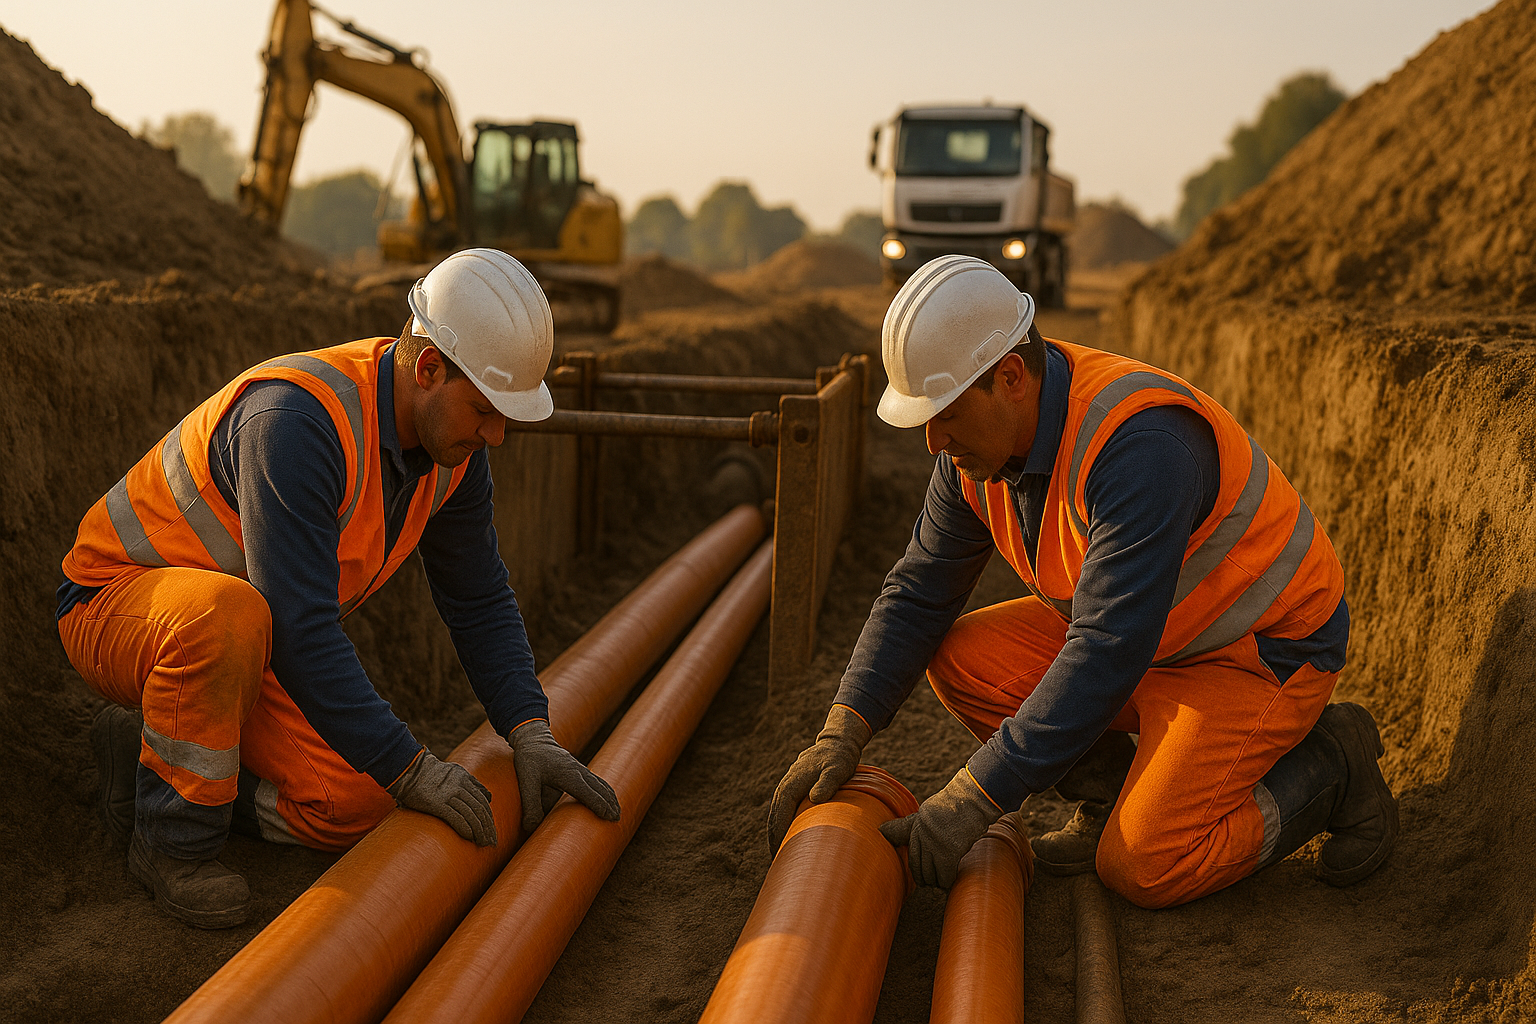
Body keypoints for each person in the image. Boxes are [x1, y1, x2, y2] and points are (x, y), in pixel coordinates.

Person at [767, 255, 1398, 908]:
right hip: (1154, 641)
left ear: (1011, 376)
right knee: (961, 658)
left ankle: (1331, 765)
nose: (932, 440)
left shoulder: (1139, 443)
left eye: (946, 413)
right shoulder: (974, 454)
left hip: (1254, 654)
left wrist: (972, 797)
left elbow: (1107, 646)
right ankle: (1108, 801)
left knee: (1146, 865)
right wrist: (841, 731)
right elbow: (918, 593)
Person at [59, 248, 619, 928]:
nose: (496, 435)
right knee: (229, 617)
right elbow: (299, 625)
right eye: (485, 409)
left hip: (241, 639)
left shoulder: (452, 453)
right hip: (122, 607)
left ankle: (147, 753)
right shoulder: (297, 423)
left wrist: (530, 729)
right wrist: (414, 769)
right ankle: (172, 838)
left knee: (352, 804)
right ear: (429, 368)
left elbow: (477, 596)